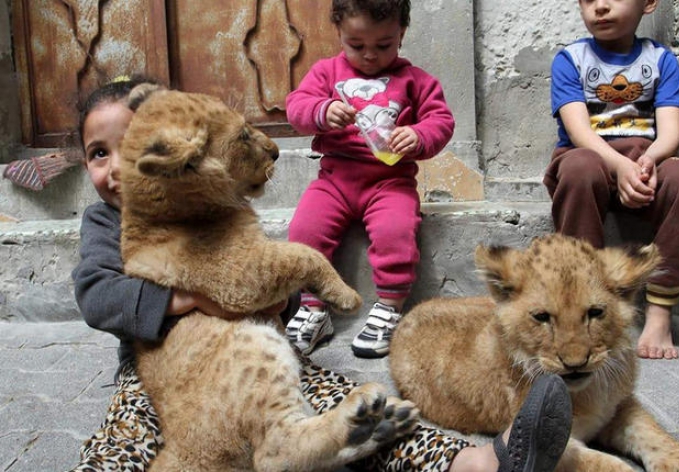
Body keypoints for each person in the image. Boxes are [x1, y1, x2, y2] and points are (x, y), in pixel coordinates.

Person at [69, 76, 572, 472]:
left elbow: (271, 286)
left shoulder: (219, 210)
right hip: (161, 374)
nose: (116, 167)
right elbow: (97, 295)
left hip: (251, 358)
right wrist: (196, 299)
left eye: (131, 144)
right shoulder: (105, 222)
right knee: (129, 433)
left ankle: (474, 462)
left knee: (353, 407)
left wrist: (275, 301)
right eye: (98, 153)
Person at [284, 0, 455, 359]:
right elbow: (296, 107)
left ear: (402, 34)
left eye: (384, 45)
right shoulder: (326, 72)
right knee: (304, 230)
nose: (370, 55)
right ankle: (314, 308)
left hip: (390, 182)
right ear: (339, 34)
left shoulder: (416, 80)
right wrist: (321, 110)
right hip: (335, 179)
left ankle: (389, 309)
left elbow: (441, 121)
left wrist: (419, 136)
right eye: (356, 45)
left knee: (396, 232)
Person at [543, 0, 679, 360]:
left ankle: (661, 311)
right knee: (579, 167)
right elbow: (578, 131)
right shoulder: (570, 60)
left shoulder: (660, 60)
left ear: (648, 3)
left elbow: (671, 131)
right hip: (590, 160)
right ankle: (583, 302)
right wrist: (619, 166)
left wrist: (647, 162)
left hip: (644, 162)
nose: (599, 7)